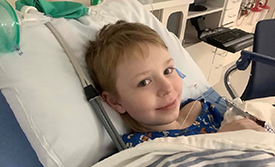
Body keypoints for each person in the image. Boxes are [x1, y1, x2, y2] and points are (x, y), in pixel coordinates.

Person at [85, 20, 265, 147]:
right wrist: (220, 142)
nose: (167, 88)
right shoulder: (140, 148)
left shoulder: (204, 109)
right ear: (115, 101)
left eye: (168, 71)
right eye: (144, 82)